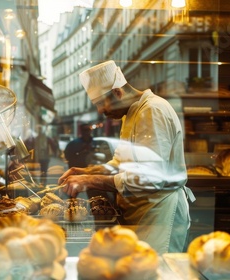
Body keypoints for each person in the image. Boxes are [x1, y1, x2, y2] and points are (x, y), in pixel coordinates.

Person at [58, 60, 195, 254]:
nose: (100, 111)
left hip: (159, 215)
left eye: (99, 103)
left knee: (152, 272)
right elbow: (120, 163)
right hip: (140, 212)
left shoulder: (152, 111)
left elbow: (149, 178)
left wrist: (90, 180)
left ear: (117, 93)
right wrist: (87, 171)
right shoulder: (130, 114)